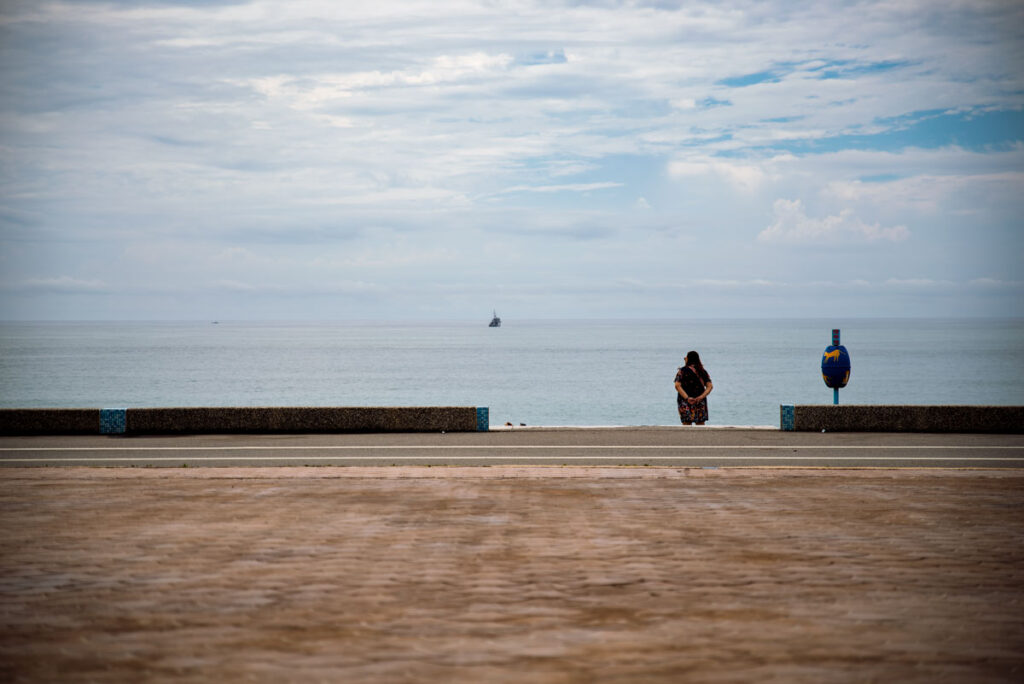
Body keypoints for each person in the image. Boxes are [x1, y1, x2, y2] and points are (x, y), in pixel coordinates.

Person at [674, 350, 713, 426]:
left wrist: (687, 398)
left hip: (685, 401)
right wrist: (701, 397)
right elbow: (710, 386)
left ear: (688, 359)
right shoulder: (702, 371)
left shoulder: (682, 371)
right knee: (700, 424)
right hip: (700, 401)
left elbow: (677, 385)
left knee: (686, 424)